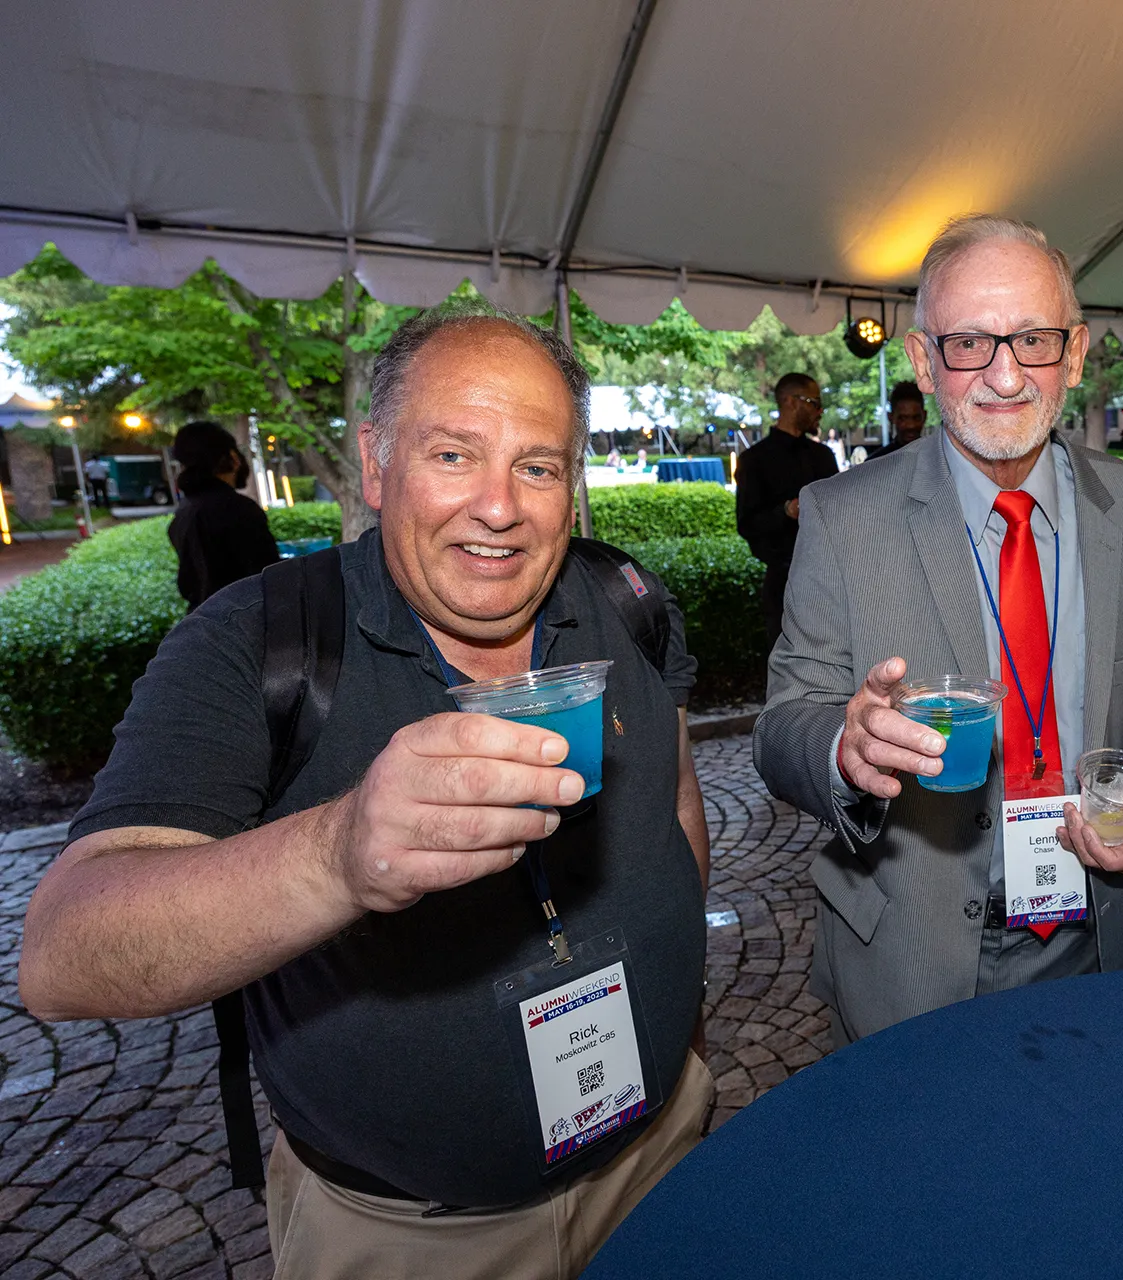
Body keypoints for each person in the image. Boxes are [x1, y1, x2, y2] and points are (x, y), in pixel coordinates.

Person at [21, 302, 713, 1279]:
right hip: (413, 1235)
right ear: (377, 460)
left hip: (659, 1159)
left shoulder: (627, 600)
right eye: (453, 454)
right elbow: (66, 951)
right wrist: (337, 853)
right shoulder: (258, 644)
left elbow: (679, 803)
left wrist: (681, 1026)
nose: (500, 505)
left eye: (538, 465)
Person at [752, 214, 1123, 1043]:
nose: (1004, 377)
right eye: (969, 344)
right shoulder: (842, 517)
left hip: (1099, 935)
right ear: (924, 362)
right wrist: (843, 752)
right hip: (910, 954)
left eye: (1033, 341)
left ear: (1074, 352)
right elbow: (783, 725)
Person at [733, 373, 840, 644]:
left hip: (831, 583)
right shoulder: (754, 460)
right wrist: (786, 512)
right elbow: (747, 524)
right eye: (814, 402)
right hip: (783, 584)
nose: (820, 410)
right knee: (785, 671)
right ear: (791, 402)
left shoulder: (823, 456)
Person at [165, 420, 282, 609]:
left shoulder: (184, 512)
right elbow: (269, 578)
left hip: (202, 625)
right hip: (245, 625)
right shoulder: (238, 510)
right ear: (232, 458)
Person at [870, 380, 928, 458]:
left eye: (916, 418)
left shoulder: (938, 458)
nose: (910, 425)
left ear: (924, 416)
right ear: (891, 417)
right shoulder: (877, 463)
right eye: (903, 418)